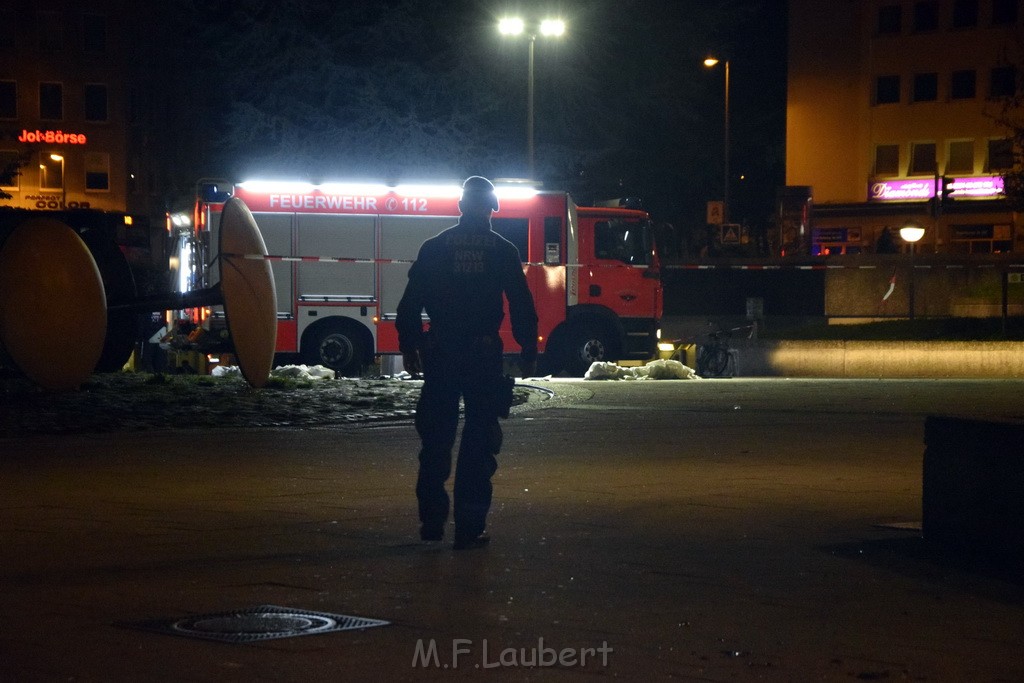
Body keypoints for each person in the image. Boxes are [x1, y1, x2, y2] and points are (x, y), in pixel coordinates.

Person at [396, 176, 538, 550]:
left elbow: (410, 302)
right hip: (481, 354)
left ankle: (431, 522)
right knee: (479, 439)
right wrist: (528, 347)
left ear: (460, 207)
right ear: (491, 209)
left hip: (441, 353)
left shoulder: (435, 247)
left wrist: (410, 345)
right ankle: (469, 527)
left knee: (436, 437)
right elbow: (521, 302)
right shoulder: (501, 249)